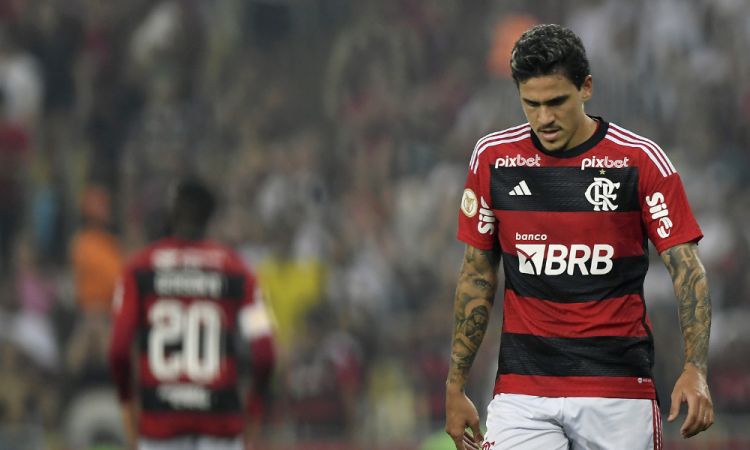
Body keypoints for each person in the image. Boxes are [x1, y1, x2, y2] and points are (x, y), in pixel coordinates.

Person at [445, 24, 713, 450]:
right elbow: (477, 274)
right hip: (523, 393)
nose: (544, 118)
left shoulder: (639, 161)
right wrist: (455, 386)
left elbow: (687, 270)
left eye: (556, 102)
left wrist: (695, 368)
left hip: (618, 391)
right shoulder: (492, 159)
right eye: (530, 104)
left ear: (586, 87)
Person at [109, 179, 276, 450]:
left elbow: (118, 349)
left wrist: (127, 402)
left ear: (171, 214)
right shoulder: (240, 272)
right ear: (210, 218)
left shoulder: (138, 269)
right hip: (220, 425)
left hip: (159, 426)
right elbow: (265, 351)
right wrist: (255, 408)